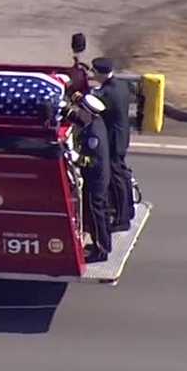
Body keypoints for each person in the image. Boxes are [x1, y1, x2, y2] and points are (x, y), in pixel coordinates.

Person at [91, 57, 135, 231]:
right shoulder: (120, 86)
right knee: (123, 176)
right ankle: (128, 209)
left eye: (94, 72)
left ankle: (121, 219)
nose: (92, 75)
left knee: (116, 179)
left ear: (100, 73)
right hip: (122, 137)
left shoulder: (107, 93)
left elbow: (92, 105)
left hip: (113, 140)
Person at [72, 93, 113, 263]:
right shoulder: (96, 124)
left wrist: (76, 158)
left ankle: (100, 250)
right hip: (101, 177)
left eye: (82, 110)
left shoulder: (93, 134)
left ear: (88, 112)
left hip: (95, 178)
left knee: (97, 215)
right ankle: (105, 244)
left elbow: (92, 161)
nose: (80, 112)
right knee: (101, 212)